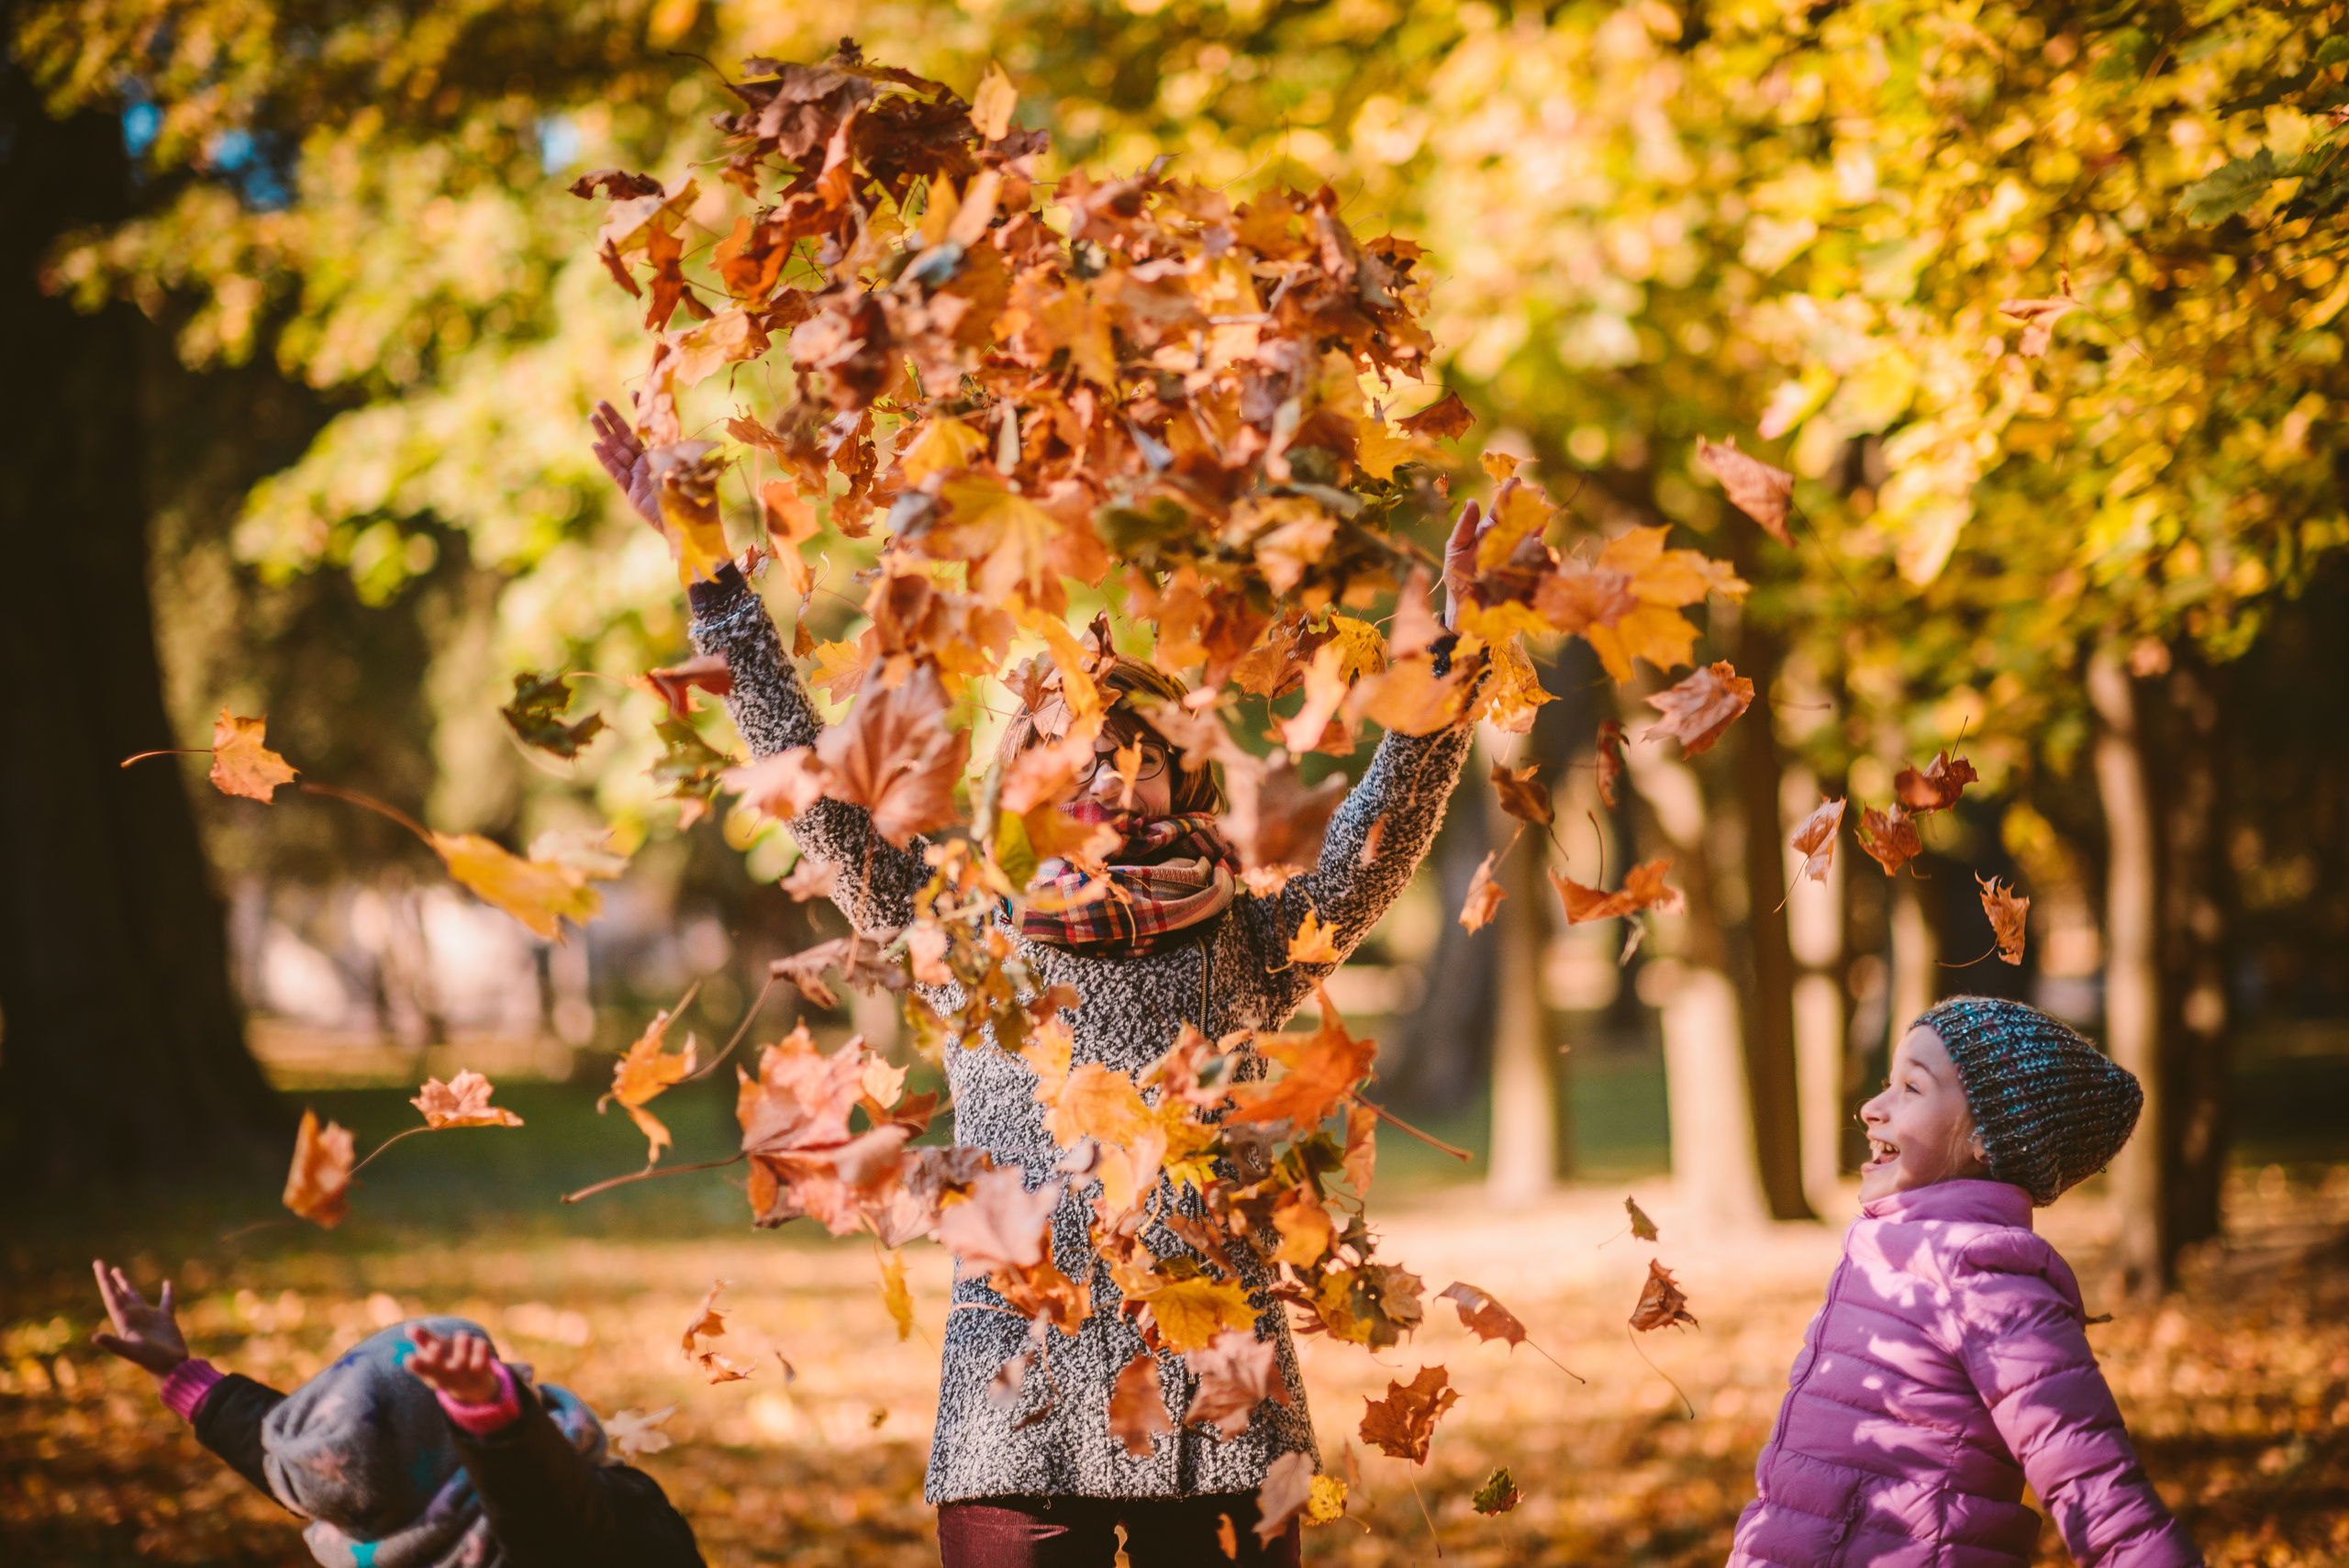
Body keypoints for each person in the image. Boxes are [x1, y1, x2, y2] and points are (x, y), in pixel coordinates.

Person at [593, 402, 1494, 1567]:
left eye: (1142, 755)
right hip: (1011, 1399)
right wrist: (710, 570)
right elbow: (803, 776)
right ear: (1023, 787)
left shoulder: (1247, 940)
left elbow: (1378, 837)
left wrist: (1455, 656)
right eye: (1078, 757)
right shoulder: (954, 925)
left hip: (1212, 1395)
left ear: (1182, 781)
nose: (1116, 781)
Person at [1728, 998, 2204, 1568]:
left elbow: (2094, 1481)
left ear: (1986, 1137)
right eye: (1887, 1082)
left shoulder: (1985, 1279)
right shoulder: (1888, 1252)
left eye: (1912, 1088)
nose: (1870, 1108)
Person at [90, 1260, 705, 1568]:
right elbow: (538, 1497)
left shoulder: (384, 1516)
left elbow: (317, 1460)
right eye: (490, 1375)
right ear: (458, 1455)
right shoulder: (545, 1542)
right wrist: (493, 1416)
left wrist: (183, 1378)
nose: (517, 1376)